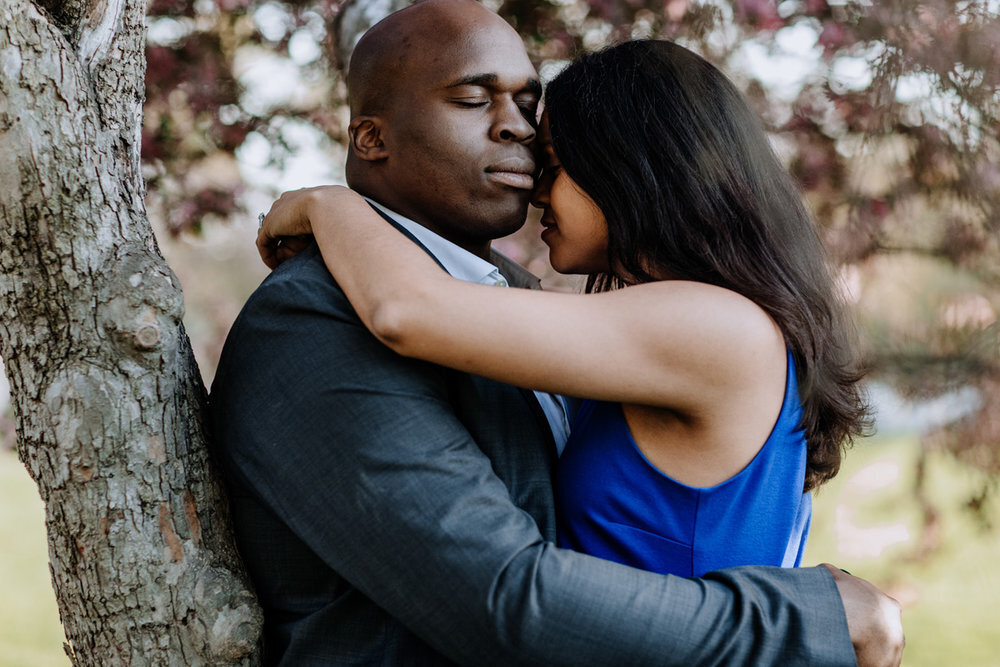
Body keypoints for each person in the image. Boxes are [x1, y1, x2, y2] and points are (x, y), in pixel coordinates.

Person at [211, 0, 903, 665]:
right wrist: (808, 620)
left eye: (546, 139)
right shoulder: (316, 314)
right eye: (474, 98)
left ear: (635, 170)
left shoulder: (710, 323)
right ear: (370, 136)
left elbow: (409, 309)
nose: (529, 157)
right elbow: (501, 596)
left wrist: (328, 204)